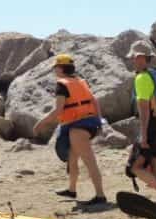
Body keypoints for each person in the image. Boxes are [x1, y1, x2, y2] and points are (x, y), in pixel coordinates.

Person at [34, 53, 106, 207]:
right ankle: (71, 190)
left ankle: (100, 196)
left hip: (78, 127)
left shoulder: (62, 85)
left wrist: (41, 123)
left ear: (60, 68)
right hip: (89, 123)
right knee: (72, 158)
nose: (54, 71)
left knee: (89, 161)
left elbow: (58, 111)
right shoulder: (81, 81)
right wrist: (99, 121)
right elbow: (94, 101)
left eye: (55, 68)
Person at [127, 40, 156, 210]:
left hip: (153, 126)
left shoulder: (142, 78)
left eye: (134, 57)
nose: (132, 60)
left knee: (135, 167)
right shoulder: (155, 75)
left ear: (140, 58)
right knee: (155, 165)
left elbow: (144, 110)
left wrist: (144, 136)